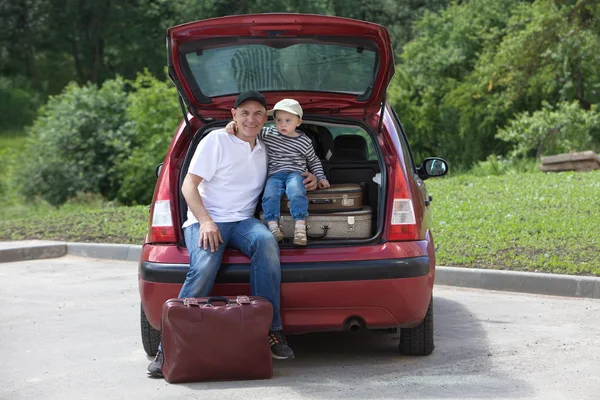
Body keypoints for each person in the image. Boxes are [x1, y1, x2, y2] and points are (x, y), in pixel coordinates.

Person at [147, 90, 318, 377]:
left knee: (266, 242)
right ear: (233, 115)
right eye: (244, 113)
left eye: (258, 114)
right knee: (204, 267)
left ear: (267, 119)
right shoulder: (215, 140)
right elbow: (188, 185)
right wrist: (205, 221)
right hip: (206, 220)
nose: (251, 119)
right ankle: (167, 348)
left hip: (242, 221)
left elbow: (291, 160)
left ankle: (272, 332)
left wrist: (310, 176)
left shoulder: (267, 144)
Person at [226, 98, 330, 246]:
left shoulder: (304, 141)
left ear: (298, 122)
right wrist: (234, 124)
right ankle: (273, 227)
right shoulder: (268, 133)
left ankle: (300, 226)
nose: (282, 124)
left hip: (296, 173)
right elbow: (248, 129)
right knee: (270, 195)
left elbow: (313, 160)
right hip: (274, 175)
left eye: (288, 120)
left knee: (296, 192)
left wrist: (321, 177)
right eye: (279, 120)